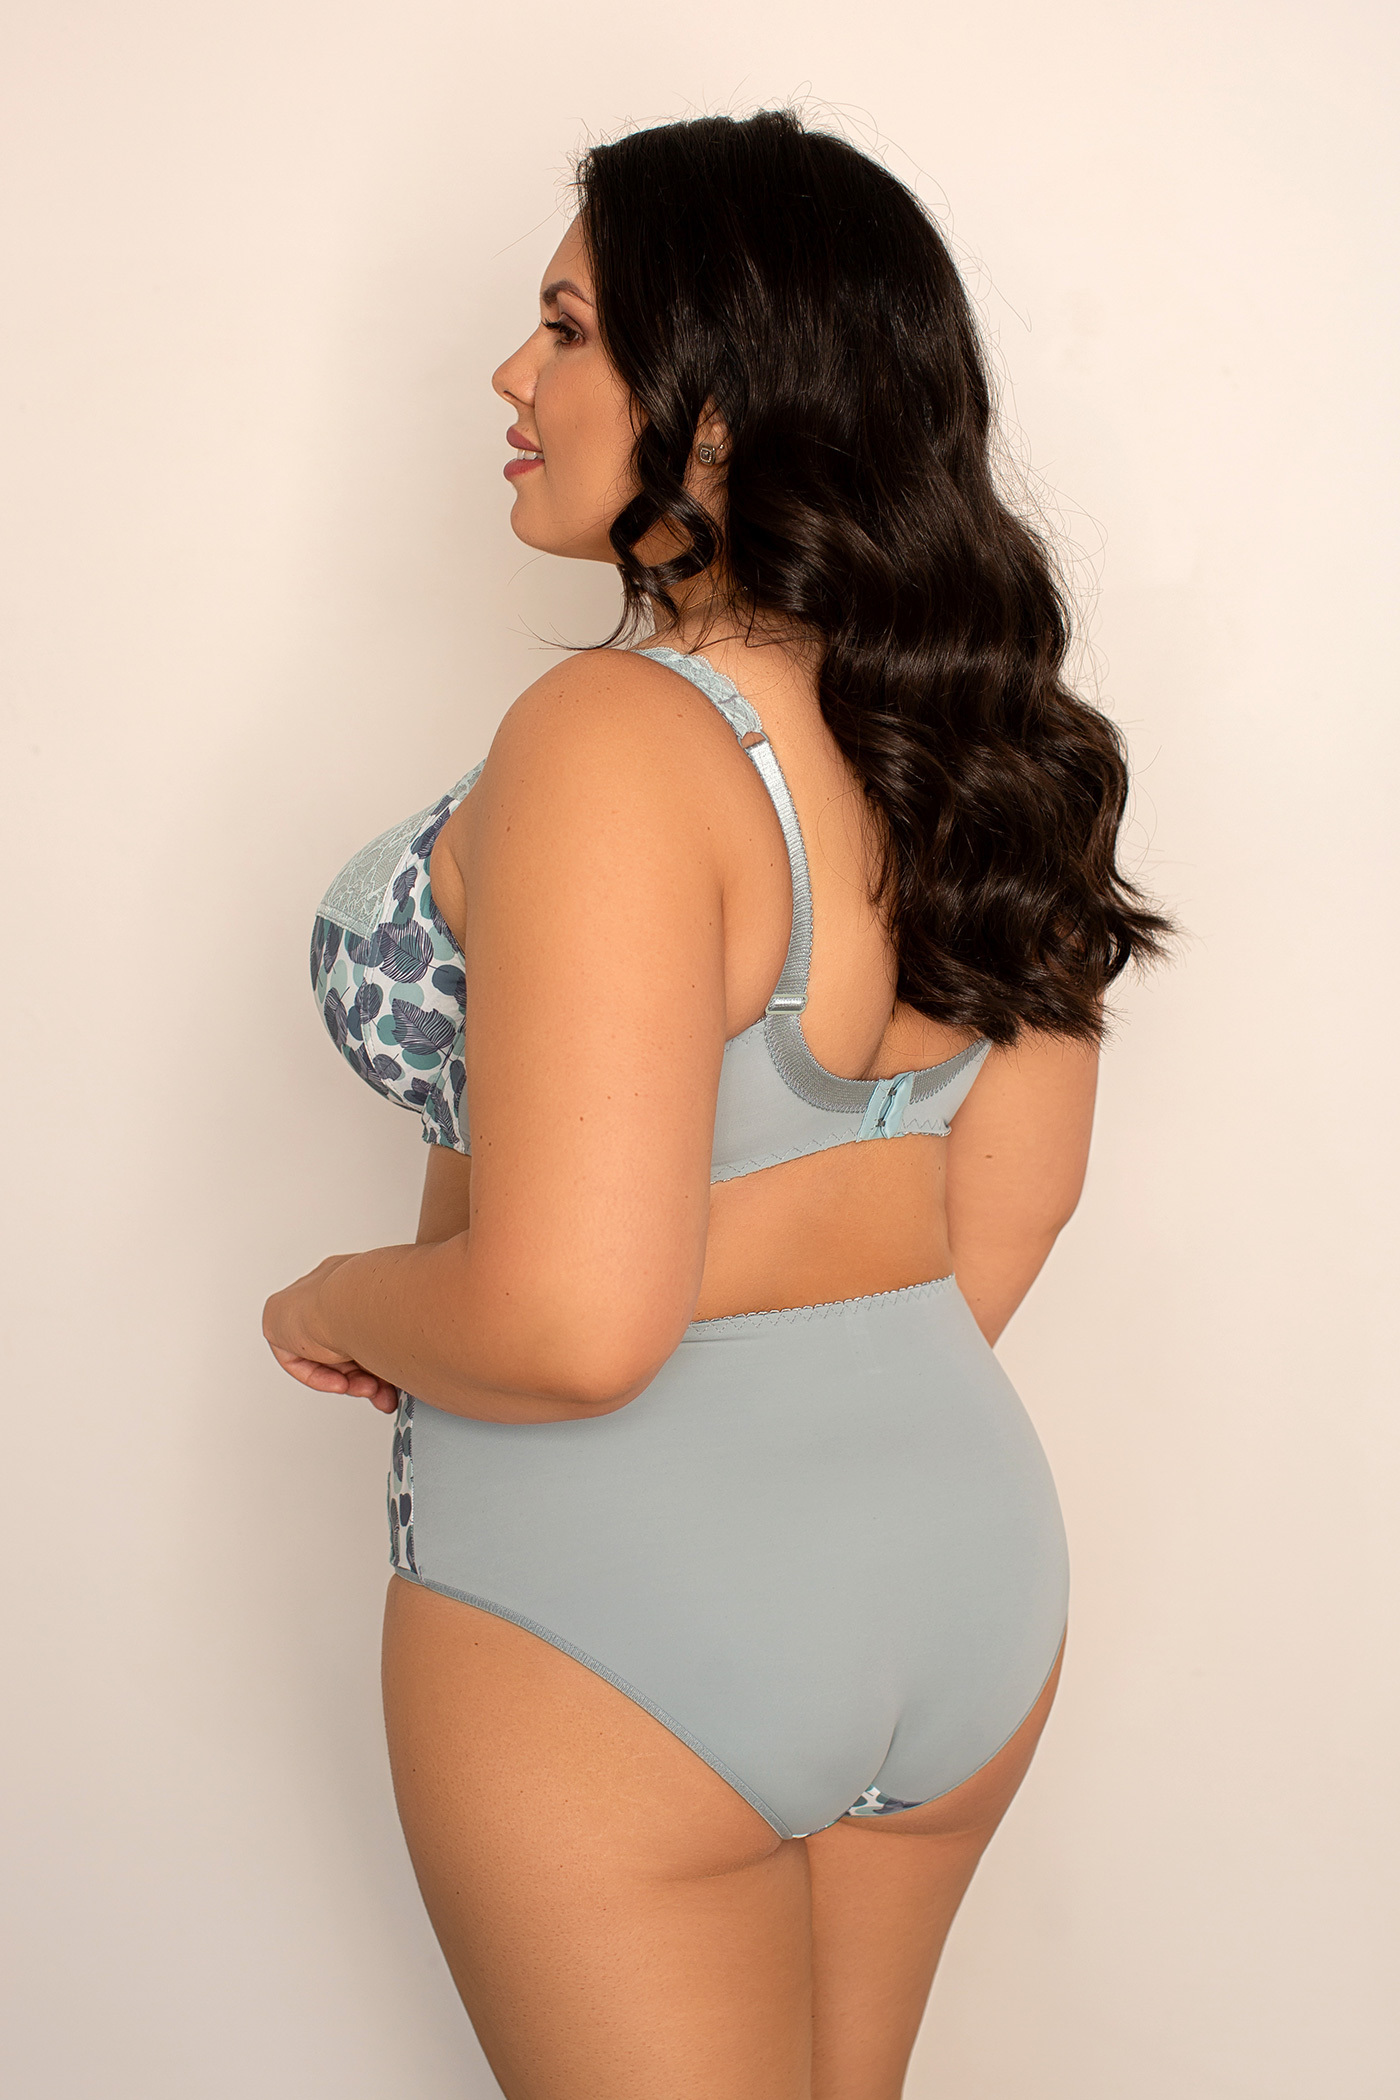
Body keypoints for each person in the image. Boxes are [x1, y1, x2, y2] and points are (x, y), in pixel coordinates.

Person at [263, 108, 1169, 2100]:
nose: (511, 377)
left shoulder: (615, 735)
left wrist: (326, 1302)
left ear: (726, 405)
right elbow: (1003, 1216)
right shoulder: (983, 736)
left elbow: (570, 1326)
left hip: (618, 1590)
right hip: (957, 1558)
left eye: (568, 327)